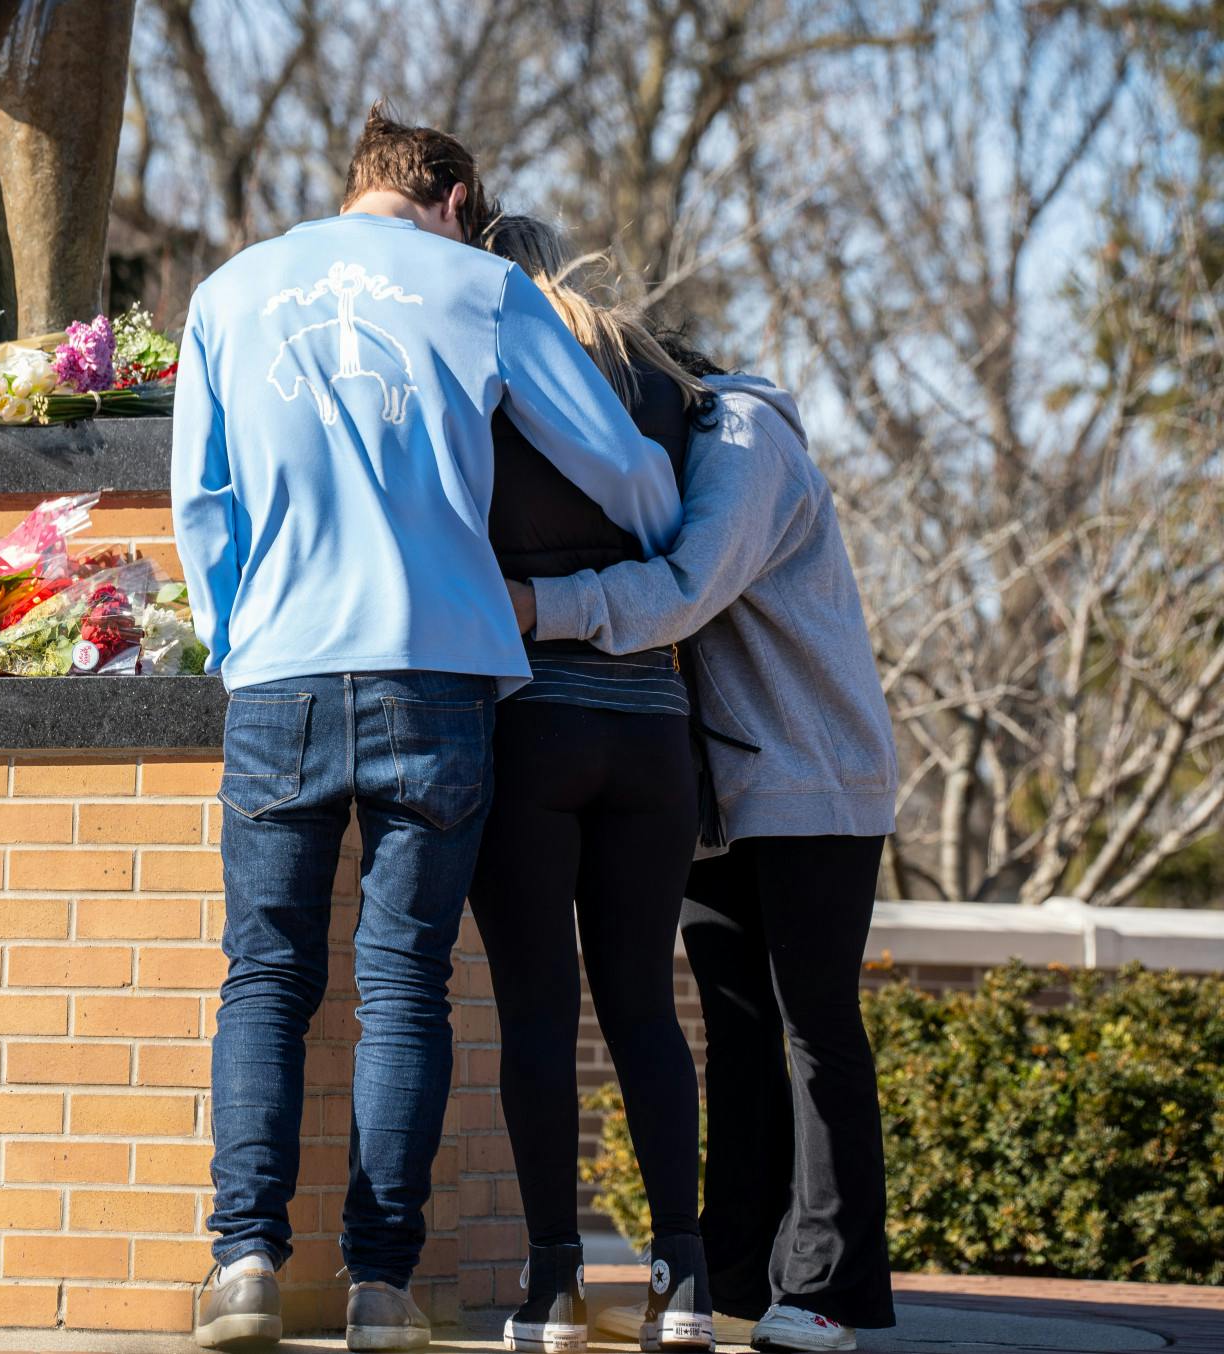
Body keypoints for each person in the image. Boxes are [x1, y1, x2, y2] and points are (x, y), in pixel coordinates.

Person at [171, 106, 683, 1354]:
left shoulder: (228, 293)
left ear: (356, 185)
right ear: (452, 196)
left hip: (282, 670)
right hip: (435, 668)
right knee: (403, 984)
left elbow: (201, 502)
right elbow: (612, 459)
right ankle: (379, 1288)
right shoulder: (483, 288)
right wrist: (667, 515)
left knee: (267, 976)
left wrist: (235, 640)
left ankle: (242, 1260)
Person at [519, 338, 900, 1354]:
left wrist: (533, 608)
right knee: (733, 1031)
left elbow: (687, 587)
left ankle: (828, 1287)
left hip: (809, 774)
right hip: (716, 792)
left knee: (812, 1024)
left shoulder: (738, 434)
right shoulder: (664, 445)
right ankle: (734, 1277)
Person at [471, 215, 717, 1354]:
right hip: (652, 731)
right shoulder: (653, 380)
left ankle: (554, 1286)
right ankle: (681, 1282)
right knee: (641, 1011)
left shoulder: (484, 382)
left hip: (532, 719)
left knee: (535, 1009)